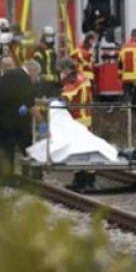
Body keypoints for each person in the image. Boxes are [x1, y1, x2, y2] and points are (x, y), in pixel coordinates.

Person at [0, 60, 44, 177]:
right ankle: (7, 177)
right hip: (5, 120)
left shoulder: (6, 76)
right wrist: (42, 123)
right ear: (33, 71)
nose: (37, 77)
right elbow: (30, 102)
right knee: (7, 148)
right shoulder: (24, 79)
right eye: (37, 75)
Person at [58, 57, 95, 190]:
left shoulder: (73, 80)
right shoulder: (83, 76)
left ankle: (81, 181)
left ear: (67, 69)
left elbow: (66, 99)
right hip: (87, 117)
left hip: (77, 119)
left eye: (62, 70)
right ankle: (88, 180)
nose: (61, 73)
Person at [118, 28, 136, 107]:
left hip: (126, 76)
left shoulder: (124, 46)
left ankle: (126, 109)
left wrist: (120, 75)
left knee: (127, 94)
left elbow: (120, 62)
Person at [33, 26, 60, 98]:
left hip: (54, 84)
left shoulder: (52, 50)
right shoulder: (39, 50)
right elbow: (38, 66)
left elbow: (54, 66)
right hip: (44, 84)